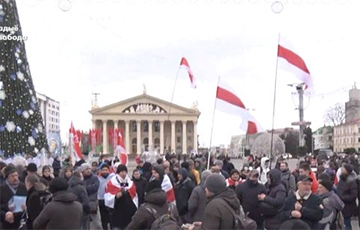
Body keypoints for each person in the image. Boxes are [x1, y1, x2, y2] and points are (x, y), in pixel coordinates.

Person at [104, 164, 138, 230]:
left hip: (128, 213)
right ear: (118, 172)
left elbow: (134, 196)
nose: (124, 173)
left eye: (125, 171)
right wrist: (116, 196)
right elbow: (108, 196)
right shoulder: (112, 183)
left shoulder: (130, 183)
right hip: (117, 213)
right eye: (122, 171)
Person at [0, 164, 28, 230]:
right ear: (7, 177)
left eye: (16, 175)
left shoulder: (22, 186)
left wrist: (26, 208)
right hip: (6, 224)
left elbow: (28, 201)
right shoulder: (2, 189)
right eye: (12, 176)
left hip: (21, 223)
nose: (15, 178)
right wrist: (5, 215)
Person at [336, 163, 357, 230]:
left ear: (347, 170)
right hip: (340, 204)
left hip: (347, 207)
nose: (341, 169)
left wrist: (342, 197)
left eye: (343, 168)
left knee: (347, 224)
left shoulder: (352, 181)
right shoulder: (342, 179)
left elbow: (353, 195)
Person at [97, 163, 114, 230]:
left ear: (109, 170)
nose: (105, 171)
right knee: (103, 218)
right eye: (103, 170)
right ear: (101, 171)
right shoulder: (98, 178)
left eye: (106, 170)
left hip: (110, 199)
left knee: (111, 217)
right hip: (101, 199)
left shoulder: (112, 177)